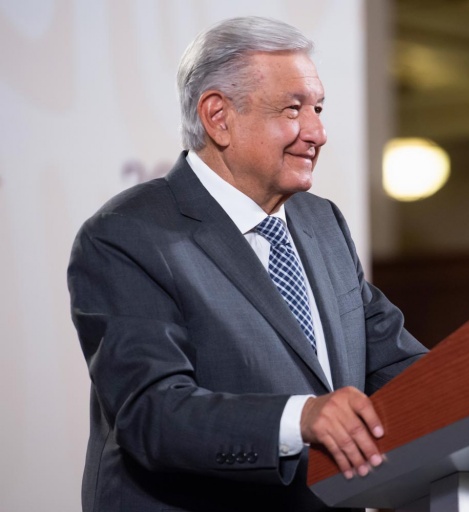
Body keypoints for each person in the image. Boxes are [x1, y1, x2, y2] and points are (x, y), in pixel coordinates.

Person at [67, 16, 427, 512]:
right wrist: (301, 418)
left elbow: (393, 362)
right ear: (218, 117)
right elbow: (152, 413)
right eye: (293, 109)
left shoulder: (321, 222)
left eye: (318, 108)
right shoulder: (127, 234)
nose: (318, 132)